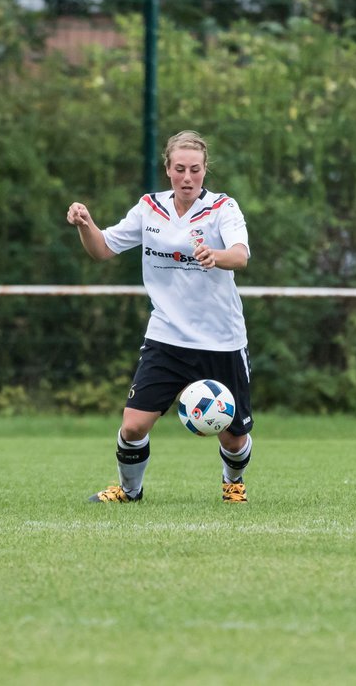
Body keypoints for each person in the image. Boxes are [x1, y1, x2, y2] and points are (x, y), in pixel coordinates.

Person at [66, 130, 254, 504]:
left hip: (221, 340)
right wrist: (85, 224)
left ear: (205, 171)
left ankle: (232, 482)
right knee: (133, 426)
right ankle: (130, 490)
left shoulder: (222, 208)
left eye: (195, 170)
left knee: (233, 437)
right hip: (166, 338)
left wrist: (215, 255)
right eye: (180, 169)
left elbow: (241, 254)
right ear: (168, 169)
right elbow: (102, 250)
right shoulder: (149, 208)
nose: (188, 177)